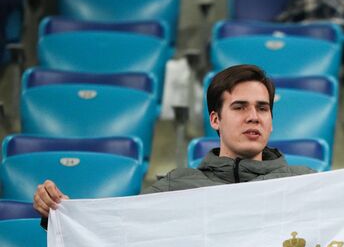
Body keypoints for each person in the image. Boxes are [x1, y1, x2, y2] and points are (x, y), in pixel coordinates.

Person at [32, 64, 315, 218]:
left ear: (271, 121)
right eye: (240, 107)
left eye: (262, 108)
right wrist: (61, 214)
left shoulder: (306, 184)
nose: (254, 117)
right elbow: (116, 227)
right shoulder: (175, 187)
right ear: (215, 120)